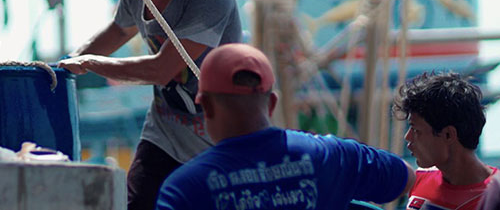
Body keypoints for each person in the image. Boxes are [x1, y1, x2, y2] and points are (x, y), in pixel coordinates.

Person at [58, 0, 242, 210]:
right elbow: (119, 31)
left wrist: (89, 64)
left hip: (219, 143)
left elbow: (162, 70)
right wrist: (63, 65)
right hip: (164, 136)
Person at [156, 43, 415, 210]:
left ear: (205, 106)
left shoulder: (184, 189)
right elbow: (406, 178)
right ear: (271, 102)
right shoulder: (332, 155)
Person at [393, 72, 498, 210]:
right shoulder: (421, 177)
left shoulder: (495, 196)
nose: (408, 137)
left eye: (416, 130)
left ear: (448, 135)